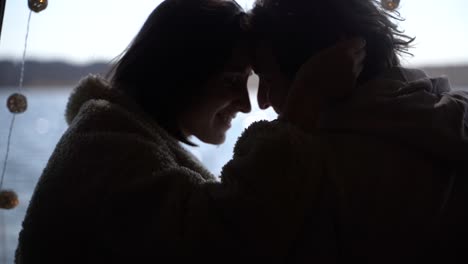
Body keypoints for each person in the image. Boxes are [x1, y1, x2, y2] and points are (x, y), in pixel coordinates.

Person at [15, 0, 364, 262]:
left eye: (251, 82)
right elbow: (224, 243)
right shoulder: (105, 152)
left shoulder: (115, 138)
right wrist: (305, 104)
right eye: (232, 82)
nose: (247, 104)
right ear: (178, 72)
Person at [249, 0, 468, 262]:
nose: (261, 101)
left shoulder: (308, 176)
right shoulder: (454, 118)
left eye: (268, 79)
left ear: (322, 67)